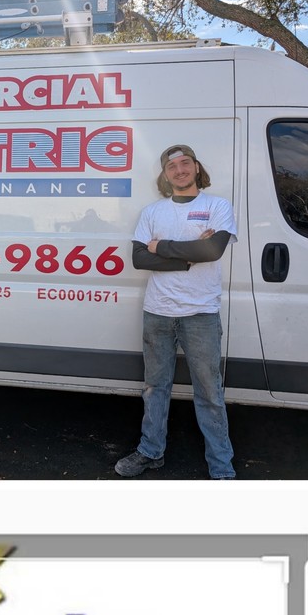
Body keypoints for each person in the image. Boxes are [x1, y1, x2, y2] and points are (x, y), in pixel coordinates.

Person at [114, 144, 238, 479]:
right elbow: (139, 258)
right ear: (165, 175)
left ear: (197, 168)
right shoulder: (153, 212)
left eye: (186, 164)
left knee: (209, 392)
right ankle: (151, 452)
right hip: (158, 311)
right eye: (172, 167)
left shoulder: (217, 206)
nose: (180, 170)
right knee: (155, 386)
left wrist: (163, 248)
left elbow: (213, 250)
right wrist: (188, 257)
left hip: (201, 314)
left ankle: (221, 464)